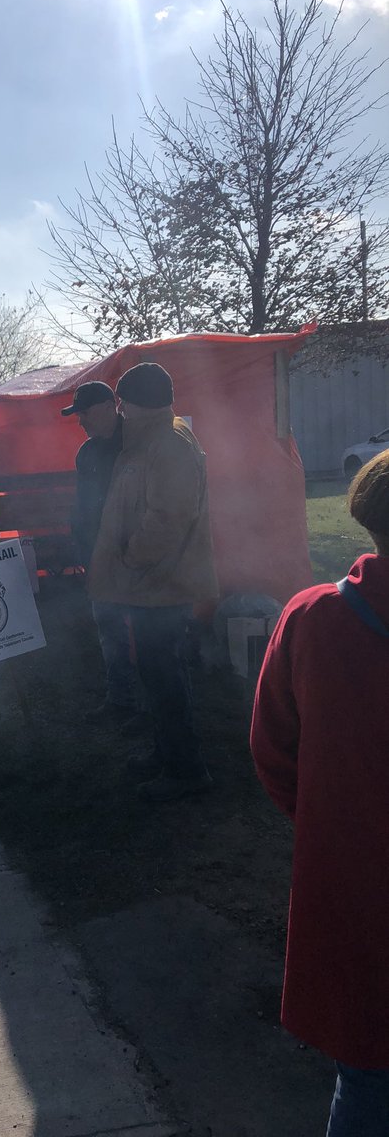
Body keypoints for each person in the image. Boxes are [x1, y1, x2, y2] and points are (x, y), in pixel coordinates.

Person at [250, 449, 389, 1137]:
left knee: (366, 1070)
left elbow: (272, 748)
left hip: (351, 880)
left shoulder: (310, 618)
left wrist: (326, 818)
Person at [89, 363, 218, 801]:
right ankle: (167, 754)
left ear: (137, 403)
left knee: (165, 678)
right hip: (150, 584)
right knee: (157, 674)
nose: (119, 410)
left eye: (123, 402)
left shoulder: (169, 445)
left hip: (162, 582)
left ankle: (186, 769)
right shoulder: (150, 440)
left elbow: (167, 519)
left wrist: (130, 557)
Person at [62, 381, 138, 720]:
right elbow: (82, 507)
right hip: (100, 556)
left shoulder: (139, 443)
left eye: (85, 413)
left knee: (150, 630)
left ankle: (155, 698)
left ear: (111, 406)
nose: (81, 421)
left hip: (140, 555)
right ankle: (121, 697)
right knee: (109, 628)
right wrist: (84, 551)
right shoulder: (87, 452)